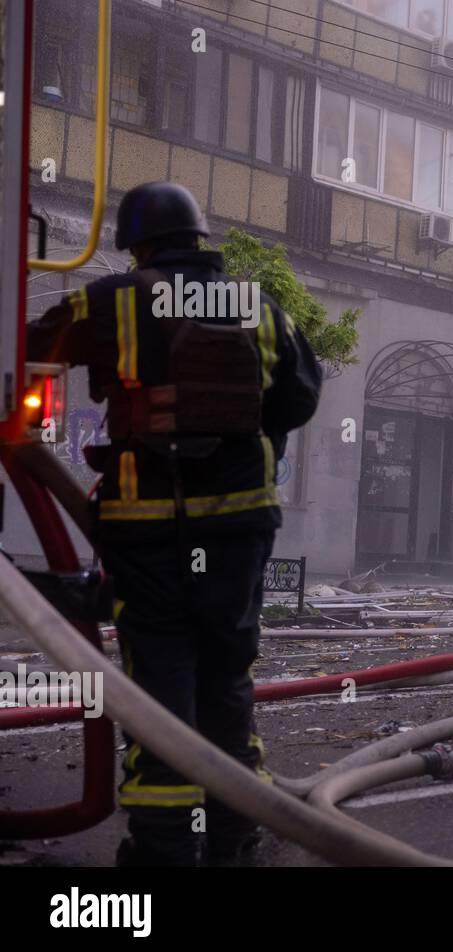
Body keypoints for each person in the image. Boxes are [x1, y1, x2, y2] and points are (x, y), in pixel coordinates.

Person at [27, 182, 322, 865]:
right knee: (226, 673)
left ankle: (164, 845)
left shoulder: (113, 300)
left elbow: (35, 344)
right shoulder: (258, 306)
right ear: (199, 238)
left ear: (138, 245)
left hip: (149, 529)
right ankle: (234, 832)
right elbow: (301, 398)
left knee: (160, 676)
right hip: (241, 527)